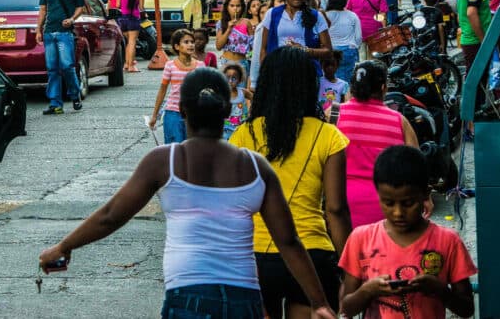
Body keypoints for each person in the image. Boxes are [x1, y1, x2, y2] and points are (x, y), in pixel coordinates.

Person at [40, 67, 338, 319]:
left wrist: (64, 246)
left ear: (181, 110)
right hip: (244, 299)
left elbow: (110, 216)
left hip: (188, 296)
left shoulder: (163, 161)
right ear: (228, 109)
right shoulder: (255, 167)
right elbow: (288, 241)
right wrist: (320, 303)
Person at [230, 47, 351, 318]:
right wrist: (349, 268)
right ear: (310, 86)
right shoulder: (329, 136)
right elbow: (336, 209)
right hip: (313, 255)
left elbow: (233, 206)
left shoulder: (242, 135)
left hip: (255, 257)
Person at [339, 146, 476, 319]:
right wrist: (368, 290)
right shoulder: (361, 239)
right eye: (388, 203)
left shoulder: (448, 241)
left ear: (426, 195)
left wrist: (440, 290)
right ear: (378, 195)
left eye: (408, 203)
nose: (398, 213)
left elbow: (467, 309)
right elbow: (345, 309)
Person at [333, 61, 418, 229]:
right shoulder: (399, 121)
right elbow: (416, 167)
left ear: (352, 88)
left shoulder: (333, 115)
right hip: (386, 211)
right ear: (383, 87)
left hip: (340, 209)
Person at [36, 0, 85, 114]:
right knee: (52, 69)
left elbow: (80, 8)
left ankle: (74, 94)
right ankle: (55, 103)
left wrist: (71, 19)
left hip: (65, 33)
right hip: (49, 33)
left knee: (67, 66)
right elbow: (43, 10)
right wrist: (39, 30)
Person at [258, 0, 333, 73]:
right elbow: (264, 48)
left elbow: (328, 50)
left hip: (307, 73)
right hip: (277, 72)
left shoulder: (316, 15)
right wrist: (264, 73)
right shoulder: (272, 14)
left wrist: (305, 50)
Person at [148, 29, 199, 144]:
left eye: (192, 42)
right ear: (177, 46)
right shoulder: (170, 65)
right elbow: (162, 90)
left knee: (192, 149)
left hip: (194, 114)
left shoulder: (200, 66)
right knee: (174, 150)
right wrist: (154, 116)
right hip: (173, 113)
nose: (190, 45)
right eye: (186, 42)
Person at [456, 0, 491, 108]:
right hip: (475, 42)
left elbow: (460, 16)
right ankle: (472, 117)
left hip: (471, 41)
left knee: (476, 81)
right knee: (476, 83)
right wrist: (484, 41)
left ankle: (474, 114)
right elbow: (471, 12)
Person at [324, 0, 362, 83]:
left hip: (330, 51)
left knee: (331, 80)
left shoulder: (325, 15)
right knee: (349, 80)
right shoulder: (352, 15)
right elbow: (358, 37)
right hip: (349, 50)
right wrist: (355, 47)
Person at [217, 0, 254, 74]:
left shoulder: (246, 23)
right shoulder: (222, 23)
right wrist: (228, 29)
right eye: (232, 6)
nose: (235, 8)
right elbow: (219, 46)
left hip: (242, 63)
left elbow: (252, 46)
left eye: (238, 6)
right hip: (225, 63)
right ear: (227, 7)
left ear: (242, 7)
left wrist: (249, 55)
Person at [116, 0, 145, 74]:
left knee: (128, 42)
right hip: (134, 18)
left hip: (123, 19)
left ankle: (126, 64)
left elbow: (118, 5)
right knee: (132, 42)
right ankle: (131, 65)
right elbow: (141, 7)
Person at [222, 62, 250, 139]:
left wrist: (251, 110)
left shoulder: (243, 92)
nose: (230, 81)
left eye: (234, 78)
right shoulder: (221, 93)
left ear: (240, 80)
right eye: (227, 77)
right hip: (225, 130)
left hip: (240, 129)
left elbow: (257, 99)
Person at [318, 51, 349, 115]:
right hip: (319, 115)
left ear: (337, 66)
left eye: (332, 65)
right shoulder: (317, 81)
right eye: (327, 64)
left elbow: (344, 104)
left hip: (334, 116)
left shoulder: (343, 85)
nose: (330, 67)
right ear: (321, 65)